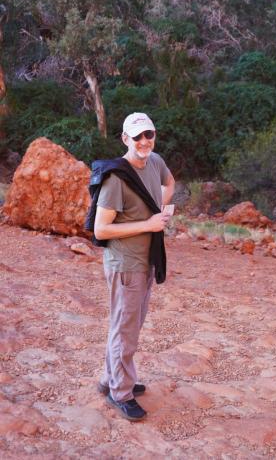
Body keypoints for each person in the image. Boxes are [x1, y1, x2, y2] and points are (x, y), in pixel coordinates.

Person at [94, 112, 175, 421]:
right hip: (125, 264)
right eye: (137, 136)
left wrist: (162, 208)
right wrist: (149, 223)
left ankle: (110, 378)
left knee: (129, 325)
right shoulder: (117, 178)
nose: (144, 141)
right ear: (125, 139)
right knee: (125, 330)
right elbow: (101, 230)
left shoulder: (155, 162)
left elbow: (170, 182)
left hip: (146, 261)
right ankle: (120, 393)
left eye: (149, 135)